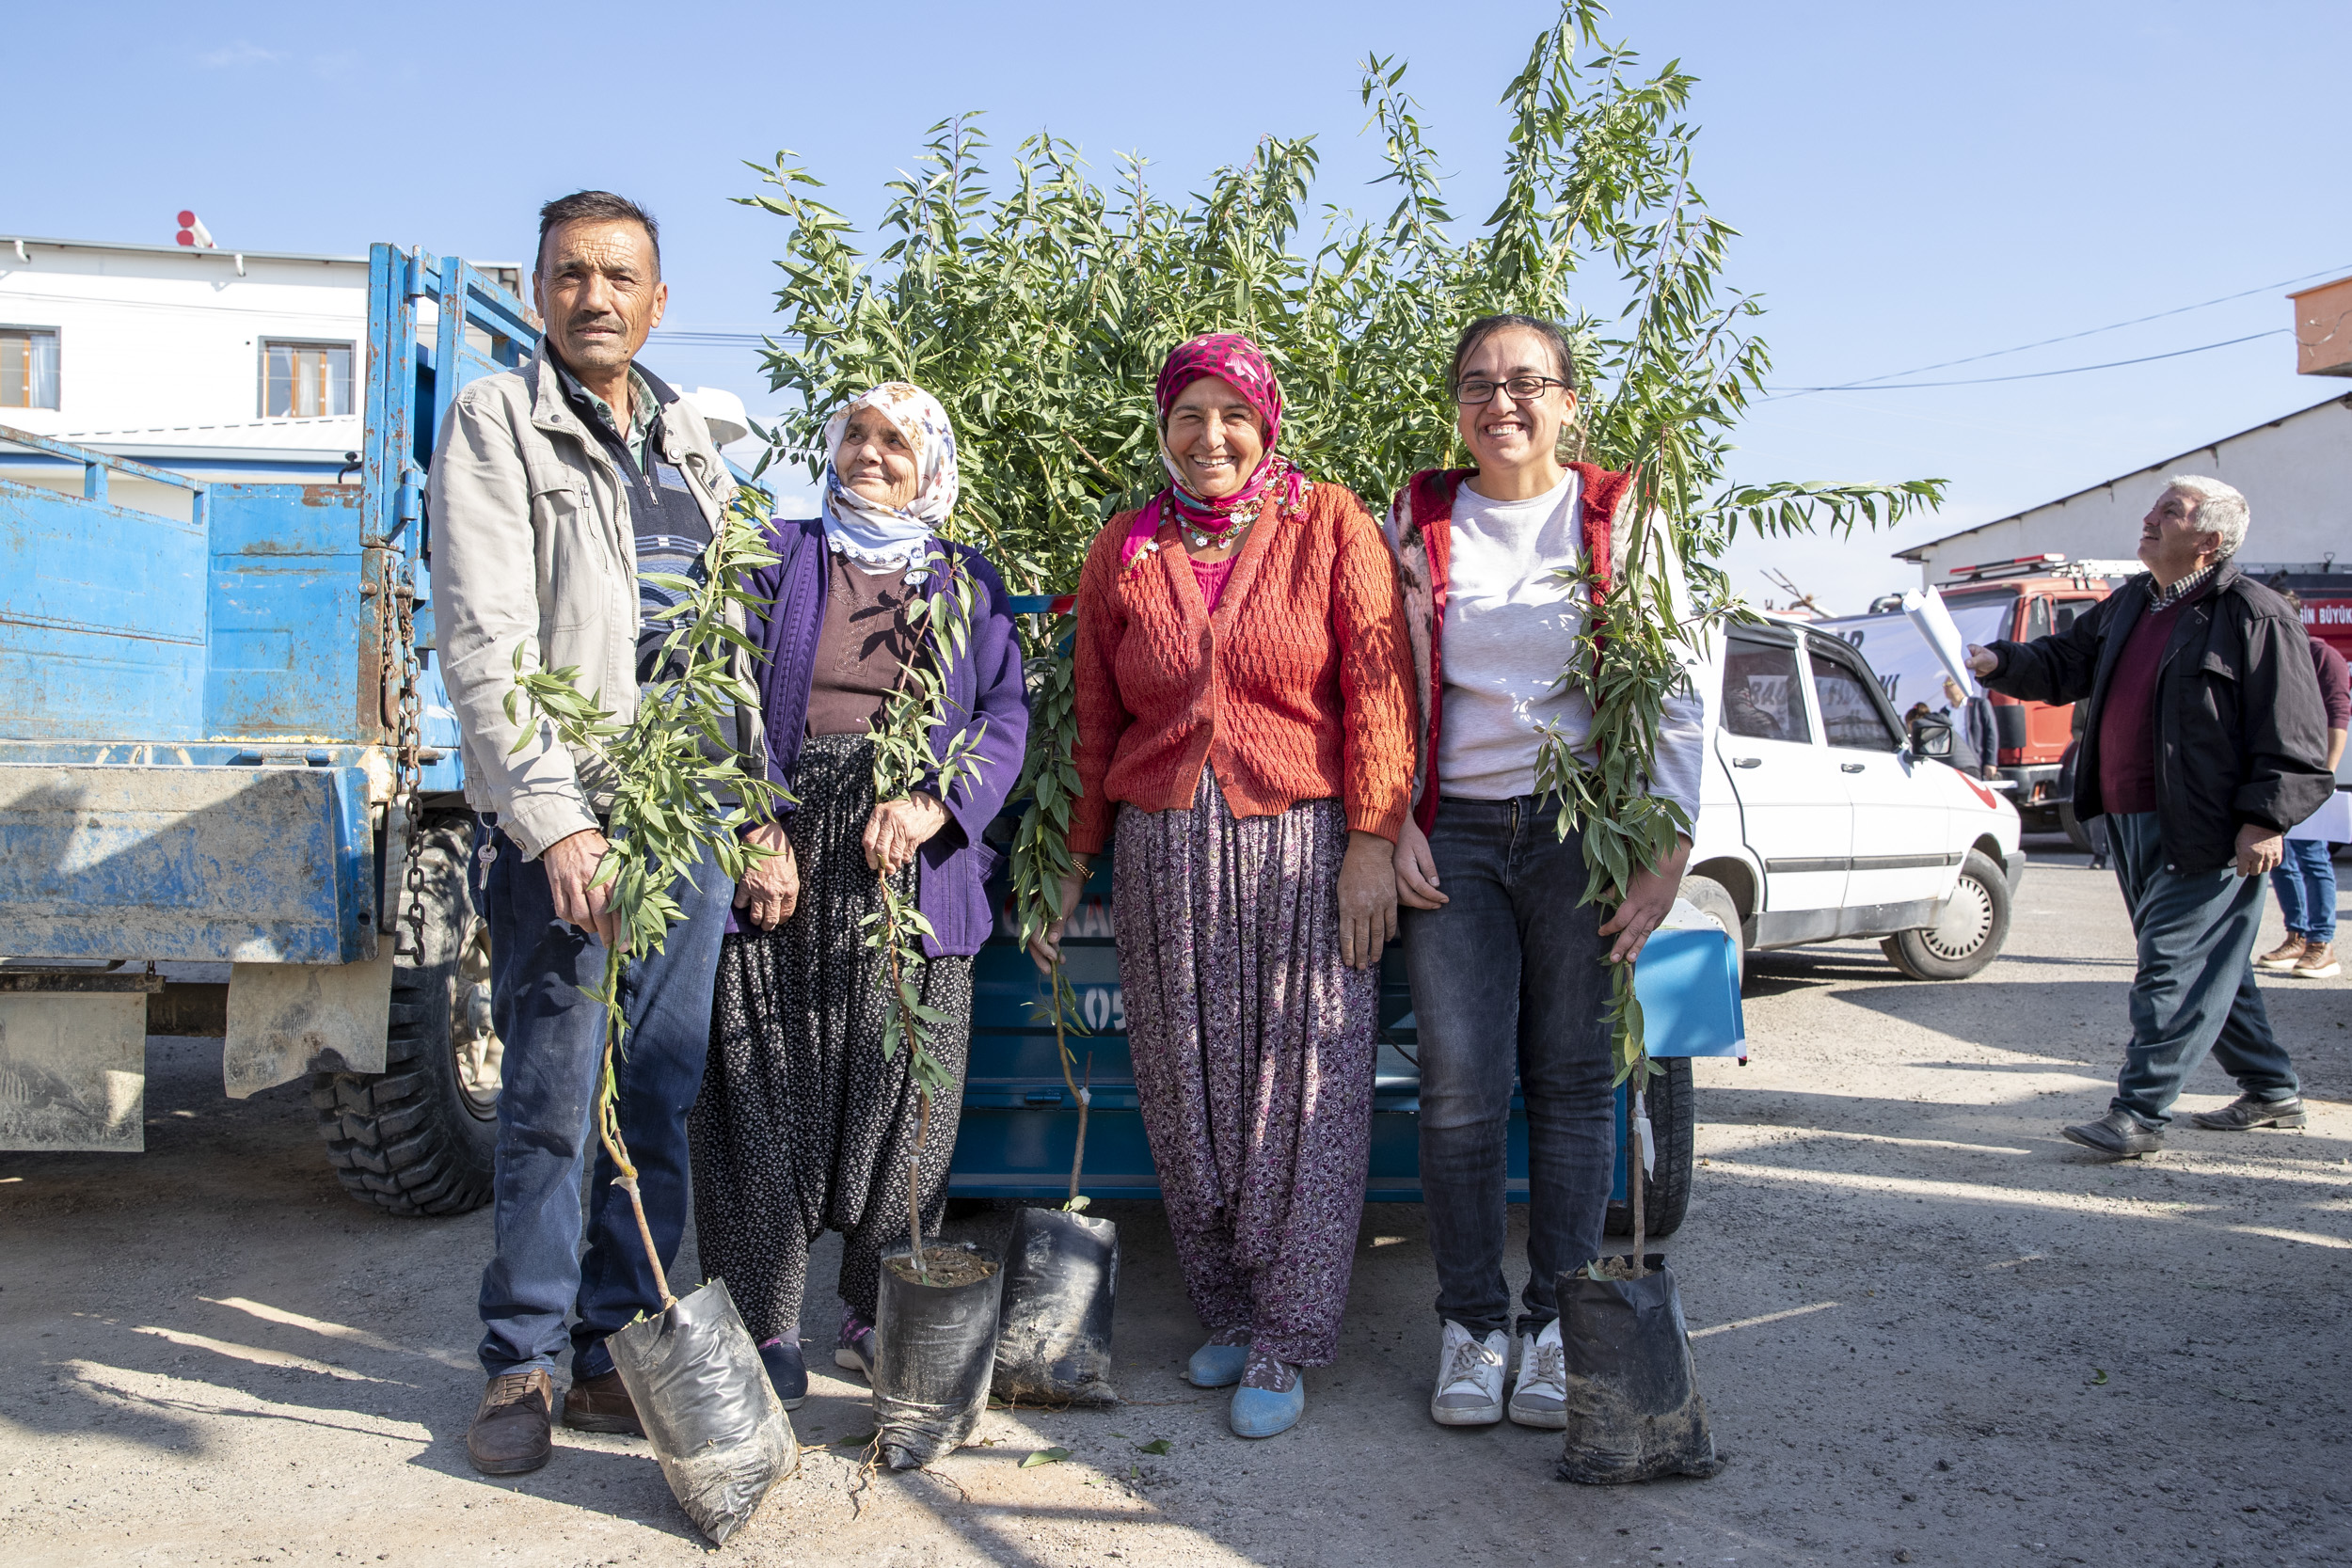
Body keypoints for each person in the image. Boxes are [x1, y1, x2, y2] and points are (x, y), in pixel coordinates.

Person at [430, 191, 766, 1474]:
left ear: (659, 297)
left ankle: (618, 1338)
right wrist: (558, 821)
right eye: (573, 273)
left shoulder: (690, 441)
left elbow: (725, 643)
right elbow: (486, 641)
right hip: (567, 820)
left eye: (621, 274)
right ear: (537, 290)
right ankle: (522, 1355)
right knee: (558, 1093)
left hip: (684, 820)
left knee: (664, 1085)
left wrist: (750, 812)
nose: (597, 296)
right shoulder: (497, 422)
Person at [1030, 333, 1416, 1440]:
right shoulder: (1128, 544)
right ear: (1162, 425)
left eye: (1230, 415)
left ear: (1266, 422)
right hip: (1161, 846)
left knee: (1303, 1091)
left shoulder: (1329, 522)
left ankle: (1288, 1338)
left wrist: (1373, 838)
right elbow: (1101, 717)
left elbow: (1380, 693)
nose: (1210, 438)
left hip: (1301, 842)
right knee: (1182, 1087)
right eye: (1188, 416)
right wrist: (1070, 858)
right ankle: (1231, 1309)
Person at [1386, 314, 1705, 1432]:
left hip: (1587, 837)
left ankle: (1562, 1324)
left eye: (1526, 382)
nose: (1501, 401)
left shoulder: (1620, 514)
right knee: (1462, 1084)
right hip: (1457, 833)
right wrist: (1389, 821)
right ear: (1456, 405)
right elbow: (1379, 683)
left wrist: (1664, 853)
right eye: (1478, 383)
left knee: (1574, 1081)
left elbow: (1672, 686)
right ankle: (1472, 1325)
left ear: (1570, 401)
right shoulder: (1419, 516)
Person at [688, 384, 1028, 1408]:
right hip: (784, 849)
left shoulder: (967, 579)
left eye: (896, 441)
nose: (870, 454)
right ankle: (766, 1324)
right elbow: (713, 684)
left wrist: (937, 799)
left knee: (905, 1101)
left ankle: (880, 1316)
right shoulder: (775, 554)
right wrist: (749, 823)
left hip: (907, 866)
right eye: (854, 436)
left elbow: (1006, 710)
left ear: (934, 464)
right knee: (756, 1084)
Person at [1966, 477, 2332, 1157]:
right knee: (2210, 961)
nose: (2149, 519)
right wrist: (2001, 662)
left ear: (2209, 541)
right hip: (2127, 819)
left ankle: (2138, 1114)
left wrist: (2266, 819)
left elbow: (2296, 735)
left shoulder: (2254, 615)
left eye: (2170, 512)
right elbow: (2065, 662)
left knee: (2170, 966)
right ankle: (2273, 1089)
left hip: (2209, 825)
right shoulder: (2132, 601)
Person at [2252, 590, 2348, 979]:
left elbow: (2338, 716)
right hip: (2275, 774)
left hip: (2308, 775)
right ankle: (2297, 935)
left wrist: (2323, 775)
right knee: (2281, 860)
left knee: (2311, 857)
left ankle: (2322, 944)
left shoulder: (2322, 656)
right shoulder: (2271, 657)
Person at [1937, 673, 1998, 780]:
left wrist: (1991, 762)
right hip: (1952, 763)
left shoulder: (1978, 705)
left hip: (1975, 762)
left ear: (1961, 685)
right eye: (1944, 684)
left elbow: (1991, 734)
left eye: (1949, 683)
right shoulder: (1944, 711)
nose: (1946, 687)